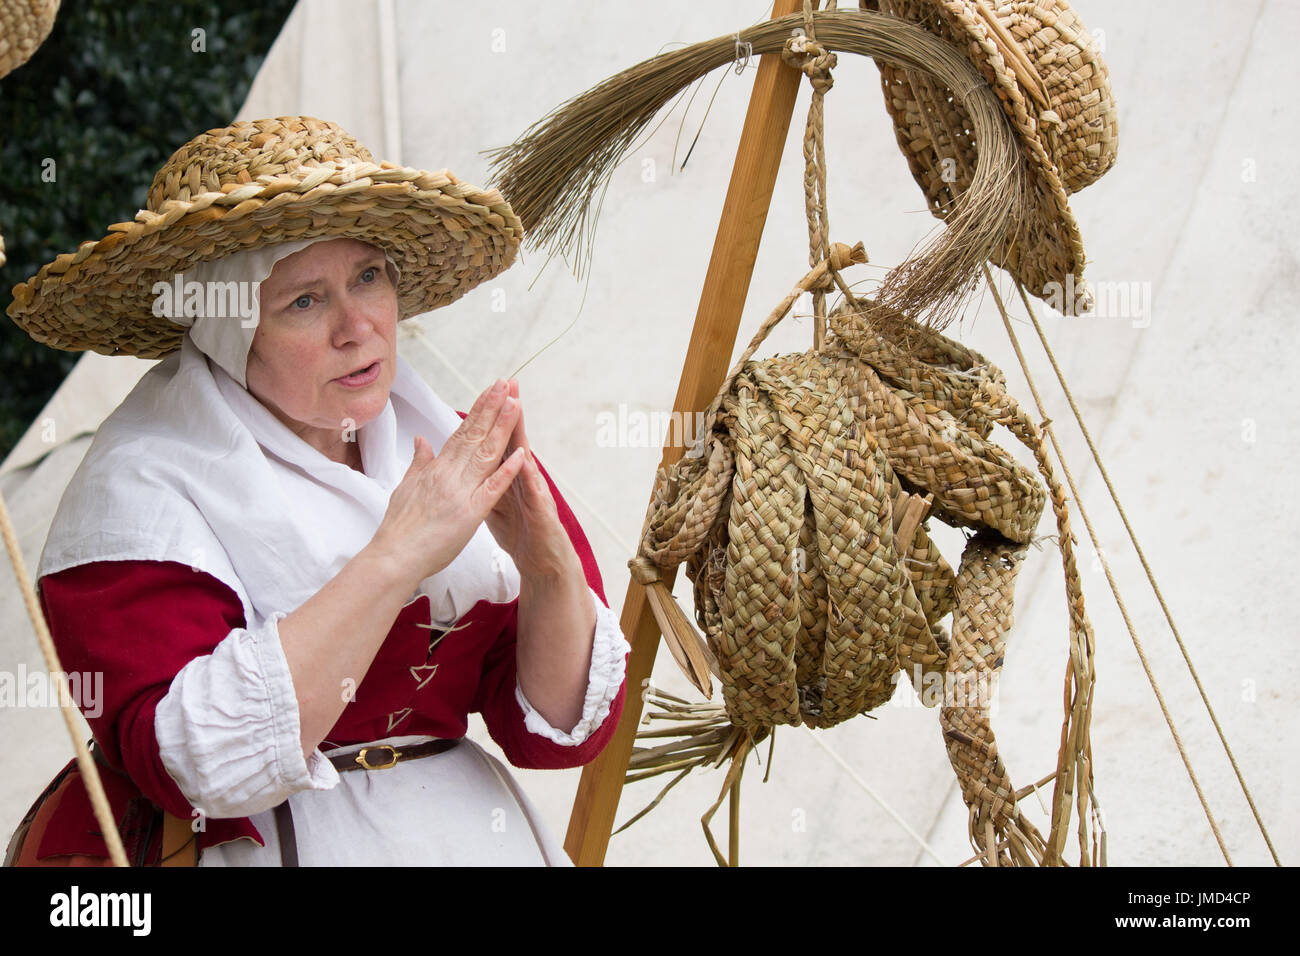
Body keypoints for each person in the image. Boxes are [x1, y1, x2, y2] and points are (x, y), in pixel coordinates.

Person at [3, 116, 632, 866]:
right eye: (304, 300)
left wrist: (547, 566)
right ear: (230, 330)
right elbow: (195, 767)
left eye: (369, 277)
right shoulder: (138, 493)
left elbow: (553, 730)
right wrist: (398, 552)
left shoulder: (454, 447)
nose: (356, 327)